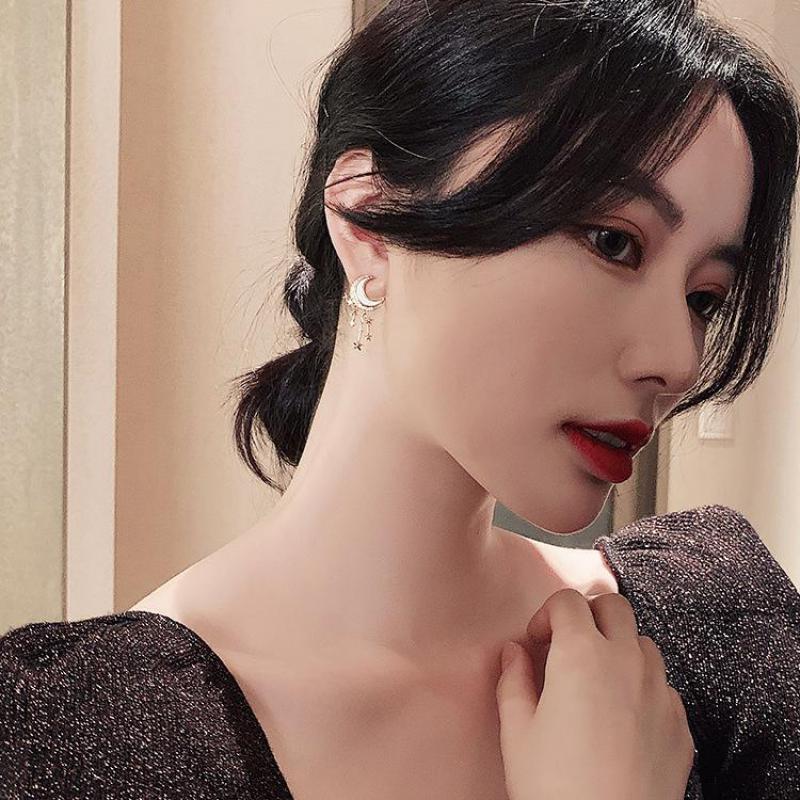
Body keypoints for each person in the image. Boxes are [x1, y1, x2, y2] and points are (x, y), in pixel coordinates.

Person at [2, 0, 799, 798]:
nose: (676, 361)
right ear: (369, 220)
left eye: (703, 298)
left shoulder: (719, 636)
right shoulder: (83, 739)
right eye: (613, 242)